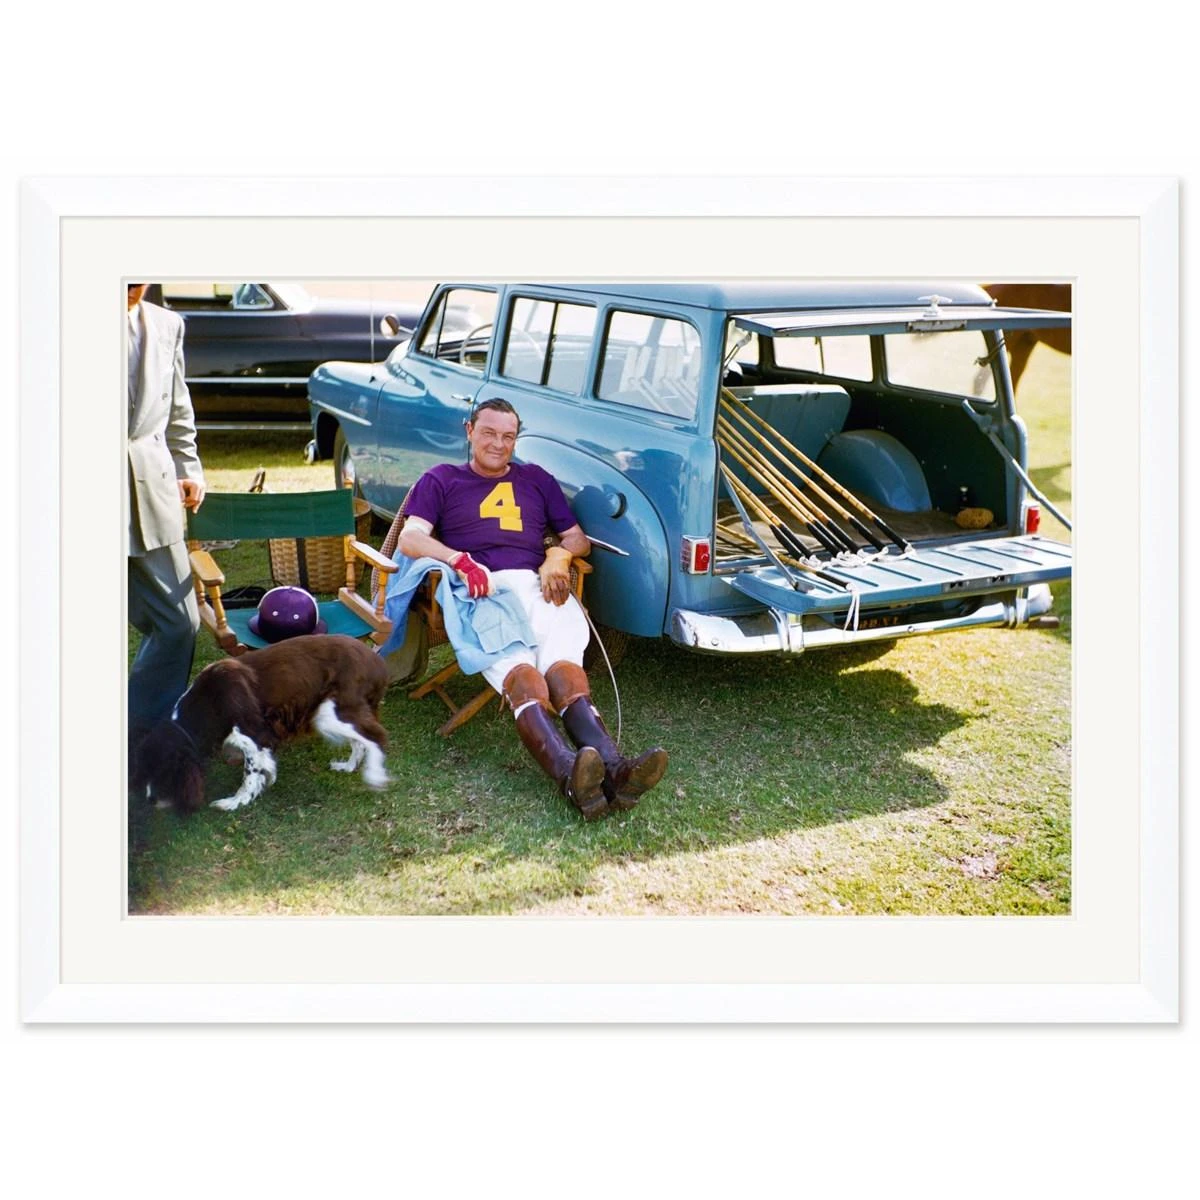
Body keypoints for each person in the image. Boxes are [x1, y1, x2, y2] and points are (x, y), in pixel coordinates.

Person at [397, 398, 667, 820]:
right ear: (469, 430)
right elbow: (410, 539)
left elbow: (577, 538)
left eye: (508, 436)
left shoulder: (537, 479)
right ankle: (568, 775)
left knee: (565, 672)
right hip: (483, 591)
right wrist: (459, 560)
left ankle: (615, 770)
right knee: (525, 680)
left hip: (538, 584)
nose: (498, 444)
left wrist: (557, 557)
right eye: (488, 433)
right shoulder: (441, 479)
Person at [126, 282, 207, 758]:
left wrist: (188, 467)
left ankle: (143, 732)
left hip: (153, 493)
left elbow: (178, 410)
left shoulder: (168, 324)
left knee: (179, 623)